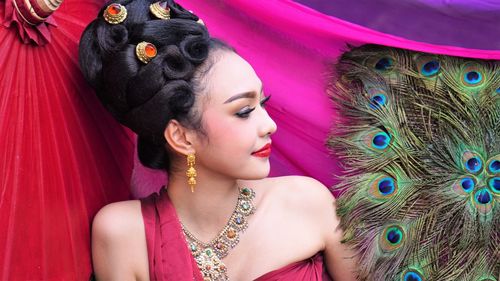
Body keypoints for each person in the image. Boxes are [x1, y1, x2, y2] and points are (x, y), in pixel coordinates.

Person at [79, 0, 357, 280]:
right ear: (181, 136)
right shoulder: (123, 235)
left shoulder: (307, 202)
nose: (270, 125)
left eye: (264, 103)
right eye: (244, 111)